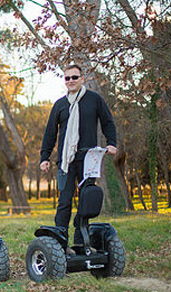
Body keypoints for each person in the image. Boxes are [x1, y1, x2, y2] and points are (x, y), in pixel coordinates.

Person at [39, 64, 117, 255]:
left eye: (74, 77)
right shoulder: (60, 104)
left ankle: (81, 242)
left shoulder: (94, 99)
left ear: (82, 78)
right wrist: (45, 157)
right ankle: (61, 243)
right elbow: (50, 133)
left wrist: (112, 143)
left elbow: (107, 121)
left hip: (89, 158)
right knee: (64, 201)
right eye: (67, 78)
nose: (71, 81)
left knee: (86, 200)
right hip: (66, 161)